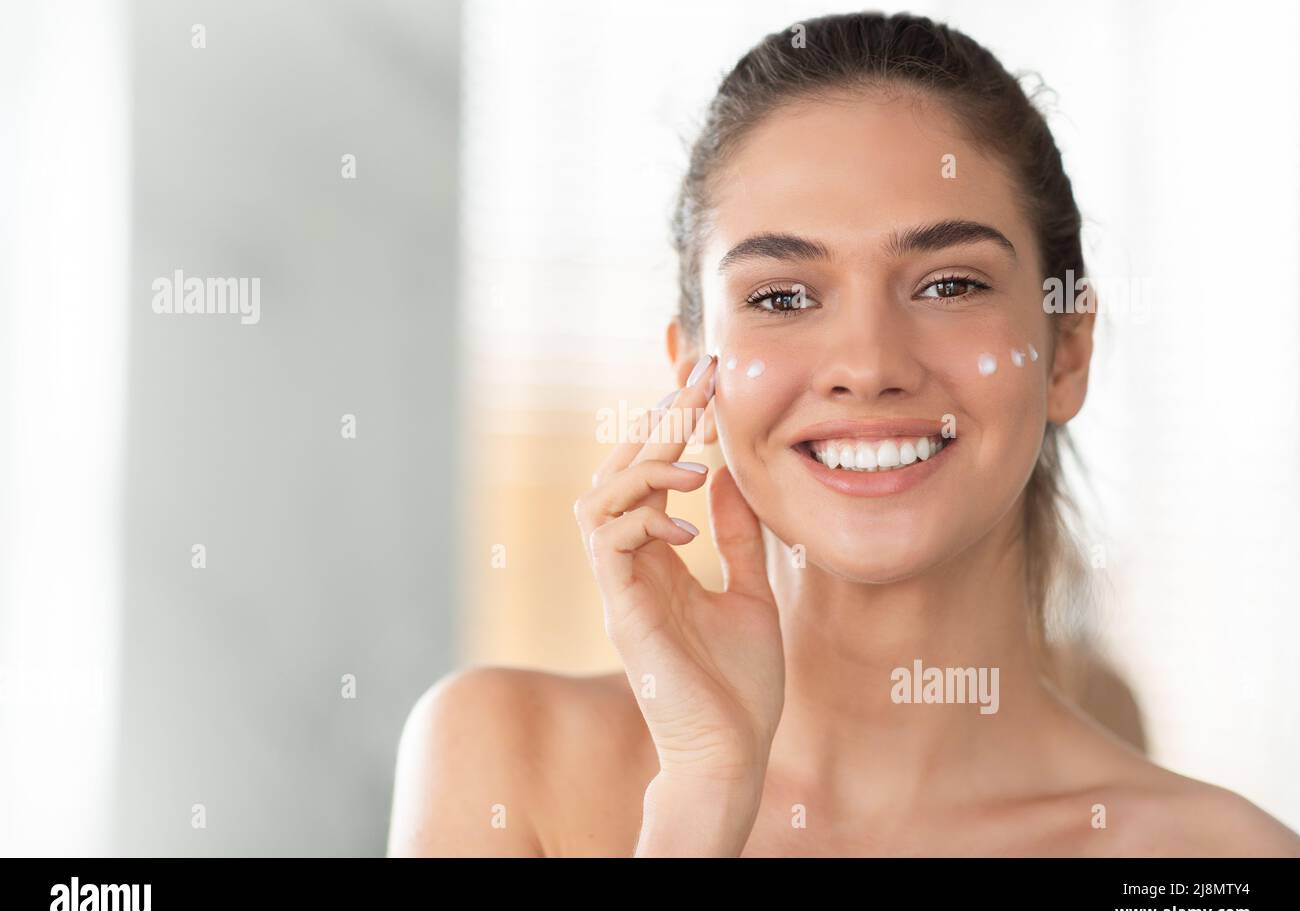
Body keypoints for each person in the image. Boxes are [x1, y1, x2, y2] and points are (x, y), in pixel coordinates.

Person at [387, 11, 1300, 857]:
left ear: (1066, 351)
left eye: (949, 284)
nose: (867, 363)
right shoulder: (507, 762)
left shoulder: (1208, 865)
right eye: (782, 297)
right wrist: (702, 799)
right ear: (691, 368)